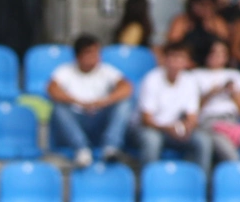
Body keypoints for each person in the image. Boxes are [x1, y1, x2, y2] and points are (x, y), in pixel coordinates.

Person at [47, 34, 134, 167]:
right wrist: (78, 102)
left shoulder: (106, 70)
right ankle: (81, 149)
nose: (96, 57)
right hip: (77, 119)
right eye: (90, 53)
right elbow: (52, 89)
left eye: (97, 53)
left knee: (125, 104)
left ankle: (111, 148)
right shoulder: (65, 71)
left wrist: (104, 101)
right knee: (58, 107)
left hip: (99, 118)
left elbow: (127, 88)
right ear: (79, 56)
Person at [128, 41, 212, 173]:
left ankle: (200, 182)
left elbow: (192, 117)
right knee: (152, 140)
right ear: (165, 59)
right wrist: (169, 128)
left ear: (187, 62)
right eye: (173, 56)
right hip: (149, 129)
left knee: (203, 140)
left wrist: (185, 128)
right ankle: (148, 181)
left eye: (181, 57)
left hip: (174, 130)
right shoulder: (152, 79)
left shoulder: (190, 81)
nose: (176, 61)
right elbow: (146, 119)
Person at [167, 0, 230, 68]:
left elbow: (225, 45)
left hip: (212, 68)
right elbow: (173, 45)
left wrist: (209, 27)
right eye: (201, 5)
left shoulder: (217, 22)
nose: (205, 9)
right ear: (192, 4)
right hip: (186, 68)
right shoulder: (182, 21)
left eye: (209, 5)